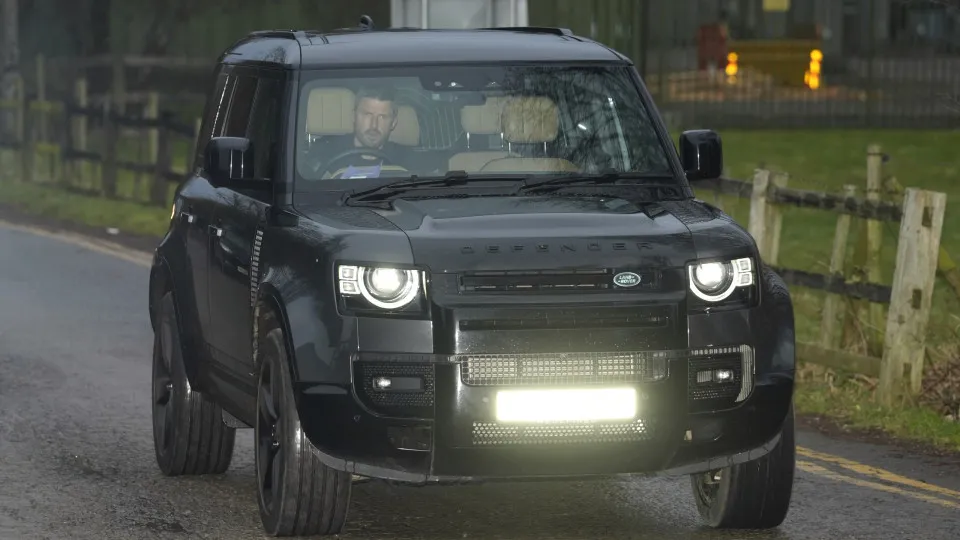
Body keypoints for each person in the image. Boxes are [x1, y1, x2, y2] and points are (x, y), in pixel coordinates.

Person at [309, 85, 412, 178]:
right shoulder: (325, 155)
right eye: (367, 115)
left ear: (393, 123)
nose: (374, 125)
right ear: (354, 116)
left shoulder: (406, 161)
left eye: (382, 117)